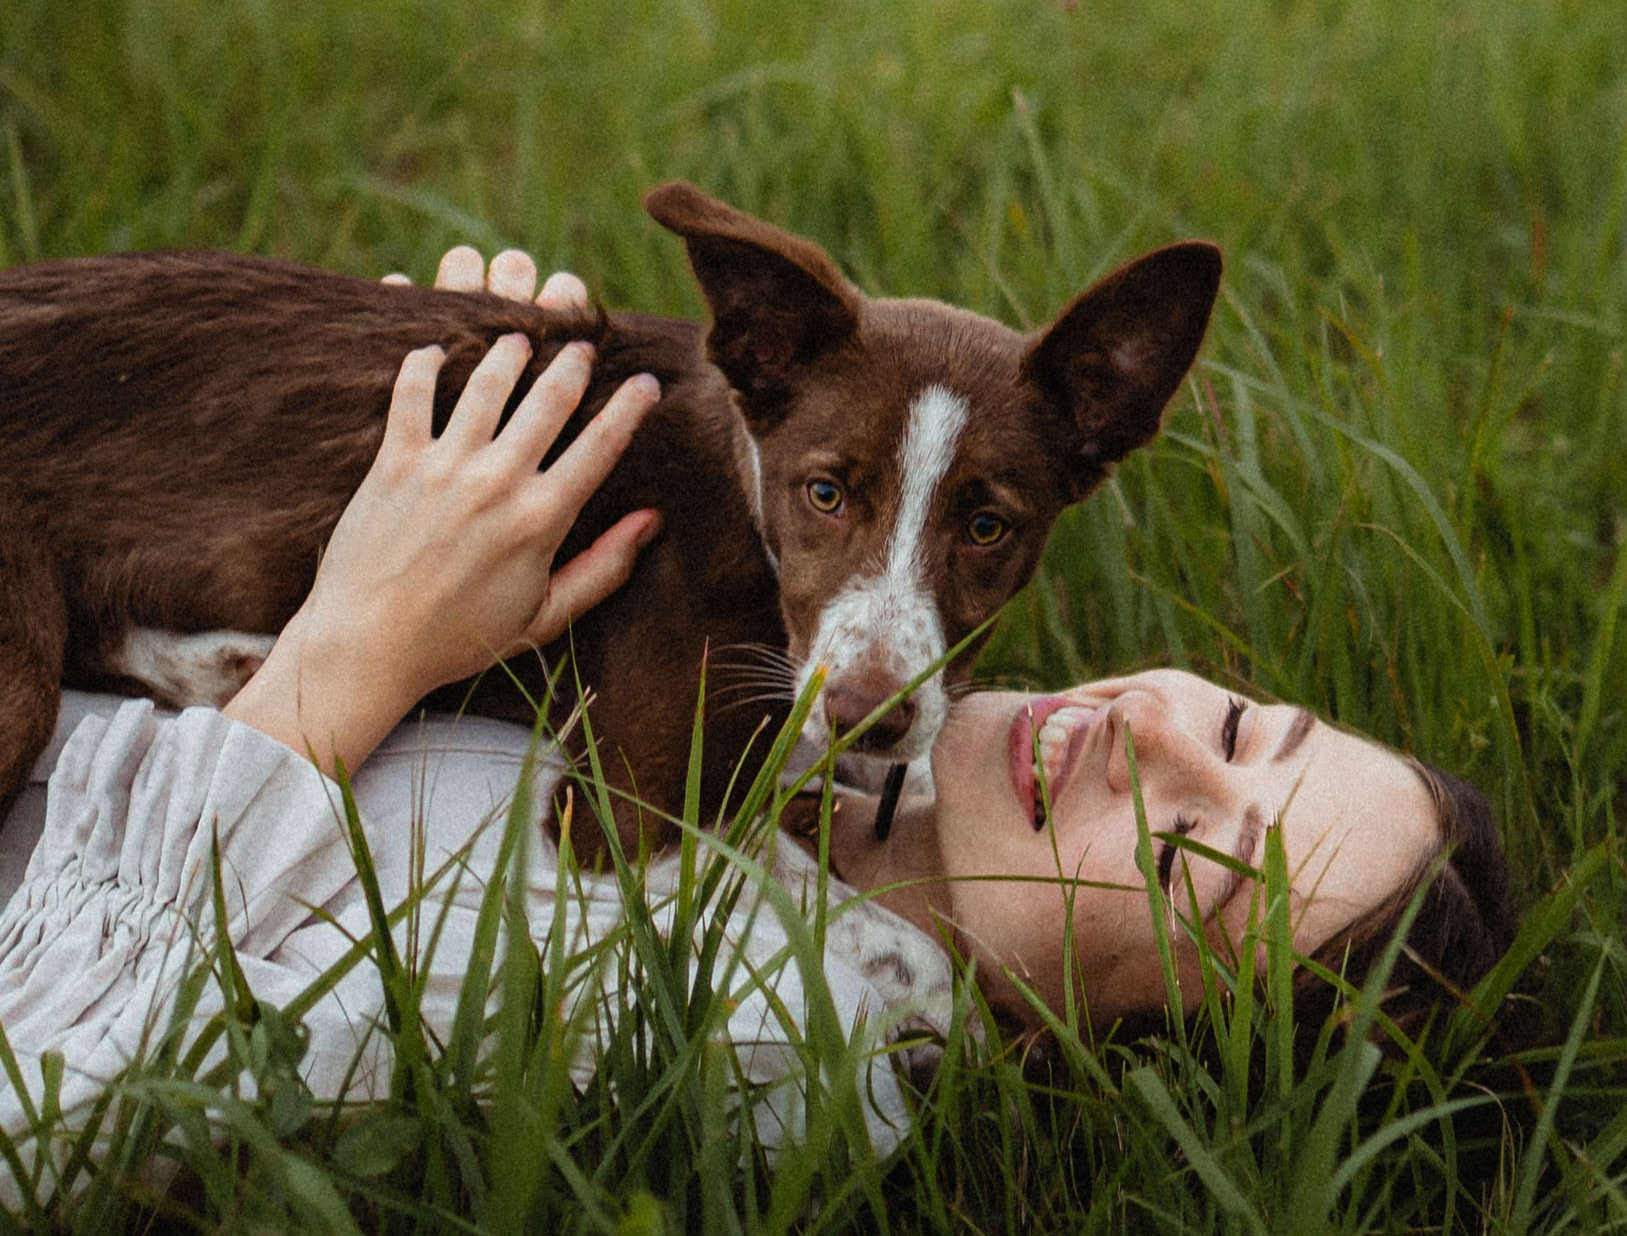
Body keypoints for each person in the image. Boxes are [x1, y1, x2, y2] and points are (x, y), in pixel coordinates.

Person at [0, 244, 1511, 1164]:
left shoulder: (753, 1032)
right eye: (1243, 725)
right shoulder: (738, 677)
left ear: (1104, 1048)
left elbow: (52, 1104)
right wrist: (356, 416)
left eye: (1193, 848)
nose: (1156, 735)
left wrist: (350, 657)